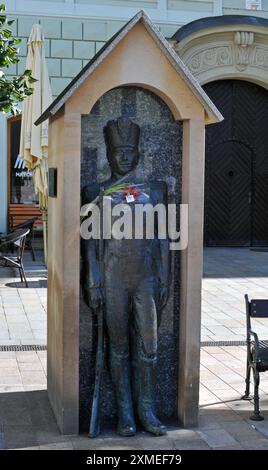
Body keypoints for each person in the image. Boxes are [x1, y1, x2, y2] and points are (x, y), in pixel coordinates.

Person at [81, 117, 170, 436]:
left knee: (149, 345)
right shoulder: (96, 191)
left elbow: (163, 238)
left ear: (138, 153)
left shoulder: (156, 190)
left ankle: (147, 409)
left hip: (146, 279)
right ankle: (126, 413)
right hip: (112, 278)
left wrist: (165, 277)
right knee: (117, 346)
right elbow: (88, 240)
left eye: (130, 150)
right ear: (108, 153)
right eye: (118, 151)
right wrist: (93, 280)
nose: (124, 157)